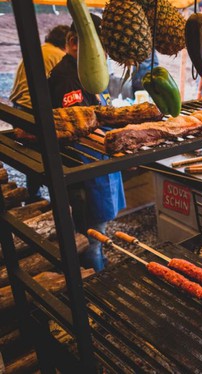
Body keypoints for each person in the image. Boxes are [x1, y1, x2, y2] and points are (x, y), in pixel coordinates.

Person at [49, 15, 126, 272]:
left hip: (101, 167)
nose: (102, 56)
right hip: (86, 172)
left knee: (99, 232)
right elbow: (77, 130)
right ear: (73, 43)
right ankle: (95, 282)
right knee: (90, 237)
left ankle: (98, 262)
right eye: (97, 48)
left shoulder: (88, 72)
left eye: (104, 50)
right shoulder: (66, 77)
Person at [10, 25, 70, 201]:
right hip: (32, 109)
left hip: (18, 106)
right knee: (48, 155)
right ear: (67, 41)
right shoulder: (58, 56)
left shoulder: (40, 50)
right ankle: (56, 197)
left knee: (32, 156)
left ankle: (33, 196)